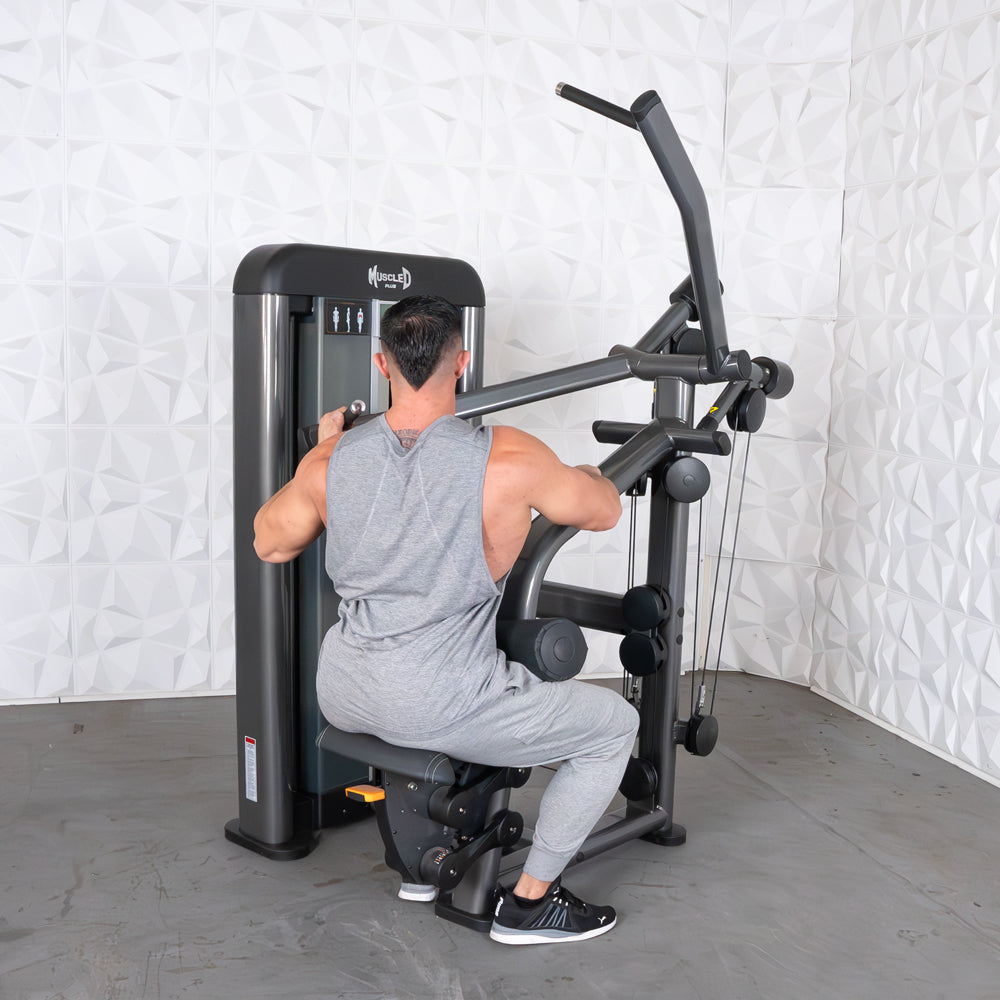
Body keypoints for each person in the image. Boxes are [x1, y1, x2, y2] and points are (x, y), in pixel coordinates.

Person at [253, 295, 640, 945]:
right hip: (438, 699)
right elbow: (603, 509)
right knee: (612, 730)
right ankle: (529, 905)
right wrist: (577, 473)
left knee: (446, 704)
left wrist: (319, 459)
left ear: (381, 363)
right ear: (463, 363)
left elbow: (270, 542)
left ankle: (420, 867)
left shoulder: (332, 461)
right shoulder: (509, 457)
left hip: (344, 689)